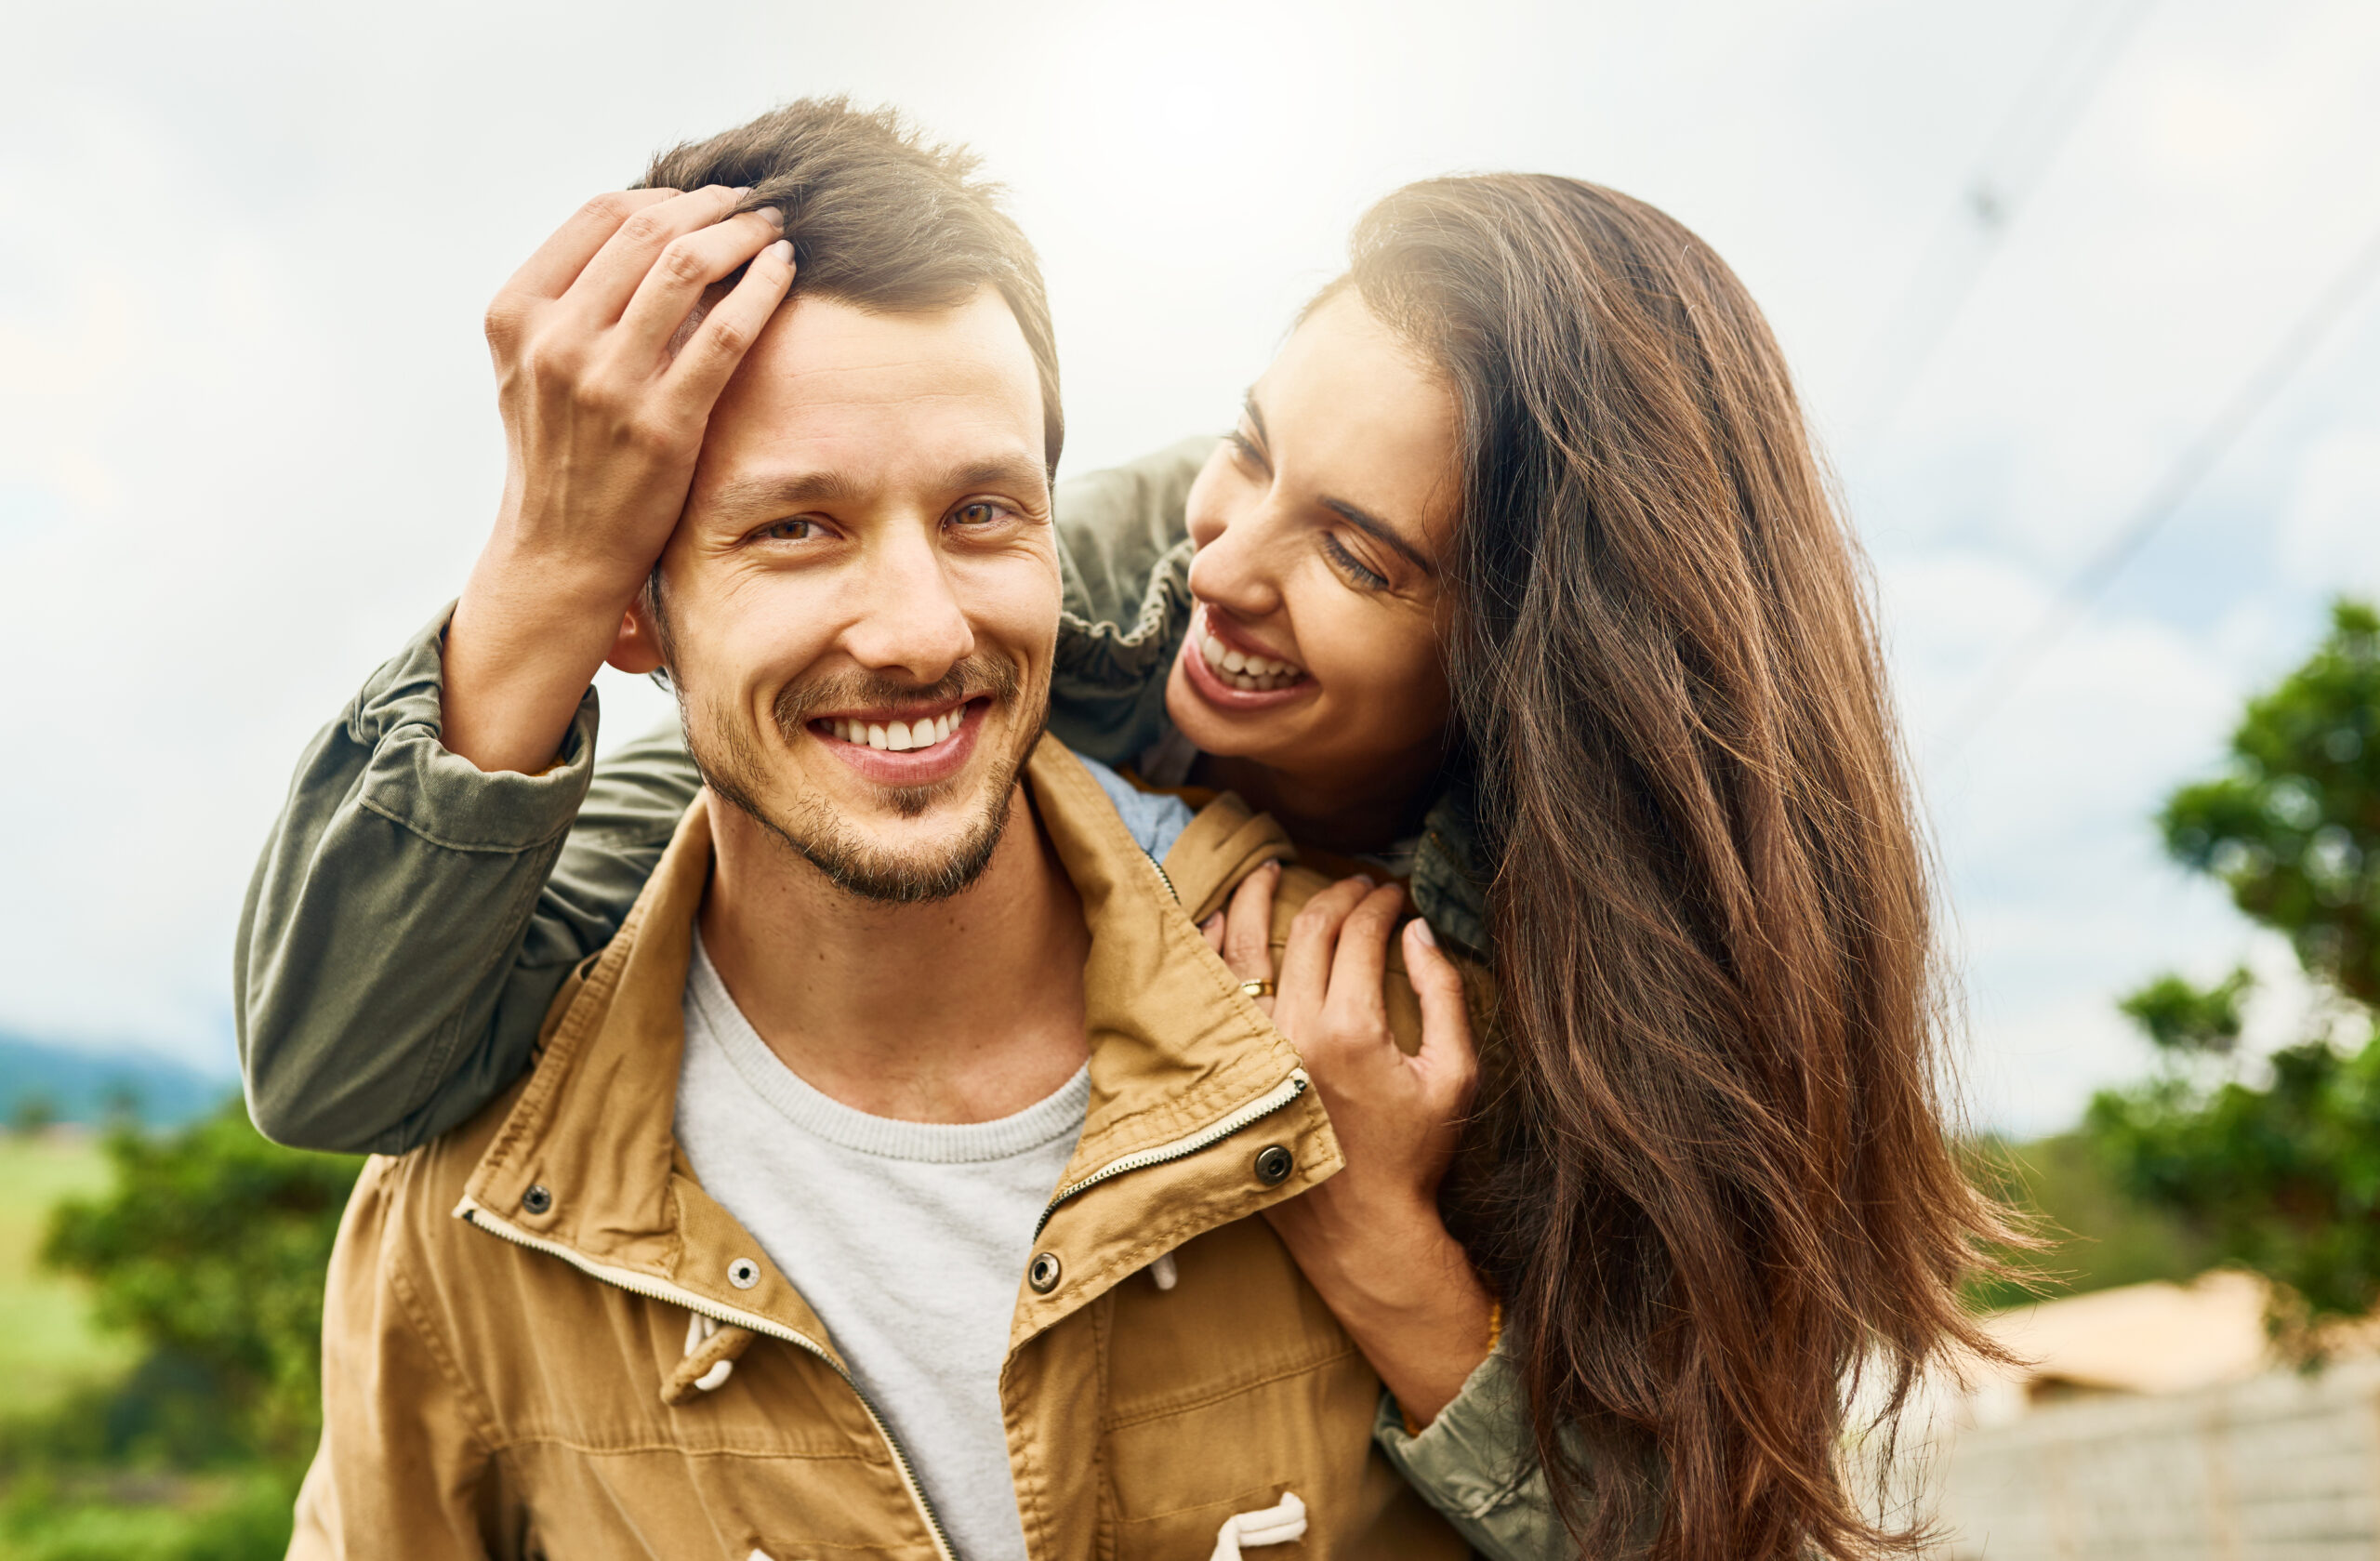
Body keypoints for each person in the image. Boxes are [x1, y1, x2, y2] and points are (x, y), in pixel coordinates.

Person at [245, 116, 2010, 1561]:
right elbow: (361, 1043)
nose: (1226, 570)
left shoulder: (1486, 1050)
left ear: (1525, 678)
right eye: (1243, 460)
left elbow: (1707, 1528)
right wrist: (552, 564)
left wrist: (1382, 1244)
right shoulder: (1095, 598)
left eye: (1363, 559)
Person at [263, 100, 1501, 1561]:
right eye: (797, 528)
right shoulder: (472, 1215)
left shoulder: (1400, 1066)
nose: (921, 631)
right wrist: (542, 551)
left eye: (984, 513)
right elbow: (333, 1050)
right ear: (628, 607)